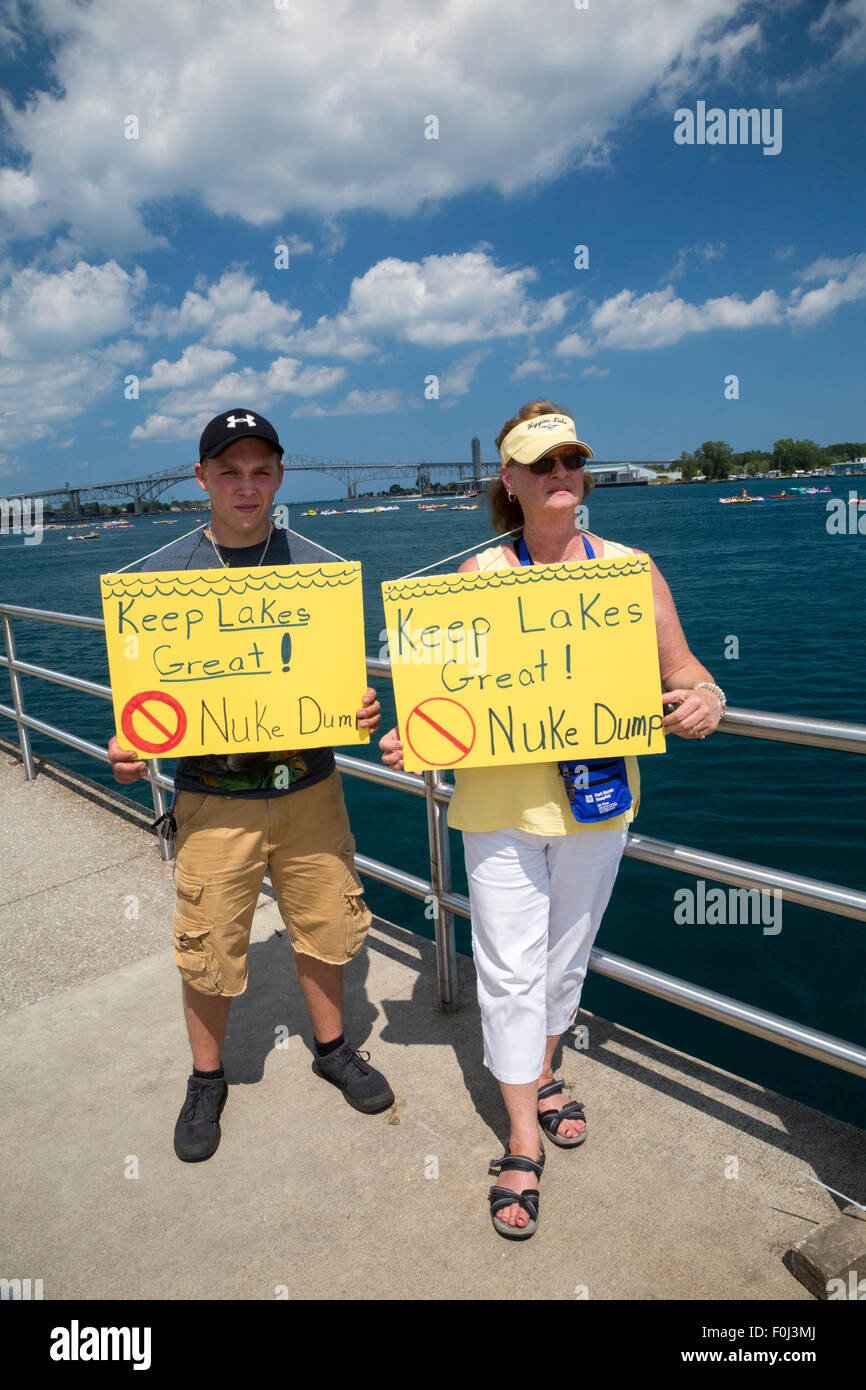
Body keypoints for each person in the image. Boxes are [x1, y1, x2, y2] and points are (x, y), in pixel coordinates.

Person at [380, 398, 726, 1239]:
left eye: (572, 461)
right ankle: (522, 1135)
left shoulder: (630, 570)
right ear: (509, 480)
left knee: (567, 959)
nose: (562, 476)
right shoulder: (476, 580)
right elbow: (443, 707)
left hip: (598, 802)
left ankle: (542, 1070)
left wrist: (706, 698)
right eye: (542, 464)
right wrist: (414, 739)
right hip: (500, 808)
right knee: (506, 967)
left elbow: (685, 669)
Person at [108, 407, 394, 1163]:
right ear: (202, 478)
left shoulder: (317, 569)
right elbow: (140, 707)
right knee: (207, 945)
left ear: (279, 476)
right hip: (211, 798)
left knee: (327, 927)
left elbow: (344, 687)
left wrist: (361, 706)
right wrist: (128, 746)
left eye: (260, 470)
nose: (246, 486)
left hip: (312, 791)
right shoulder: (161, 580)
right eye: (229, 471)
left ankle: (332, 1049)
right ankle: (207, 1077)